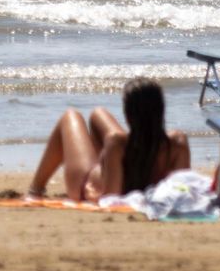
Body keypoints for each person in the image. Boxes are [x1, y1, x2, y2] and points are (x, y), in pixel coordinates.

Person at [26, 78, 189, 202]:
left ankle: (35, 190)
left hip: (86, 184)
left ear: (128, 114)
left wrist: (96, 187)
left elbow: (111, 198)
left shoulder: (117, 144)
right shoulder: (178, 142)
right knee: (98, 113)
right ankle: (105, 165)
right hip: (122, 168)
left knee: (70, 116)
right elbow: (181, 191)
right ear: (161, 110)